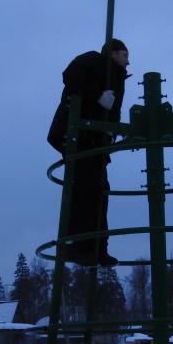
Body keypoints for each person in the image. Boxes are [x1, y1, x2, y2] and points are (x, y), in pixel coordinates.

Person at [47, 39, 130, 266]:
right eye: (124, 55)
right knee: (85, 188)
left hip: (95, 140)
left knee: (100, 190)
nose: (128, 61)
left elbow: (113, 108)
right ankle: (77, 245)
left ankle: (98, 248)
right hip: (78, 135)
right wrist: (98, 95)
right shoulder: (93, 60)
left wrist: (112, 130)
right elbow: (71, 75)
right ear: (112, 54)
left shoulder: (118, 78)